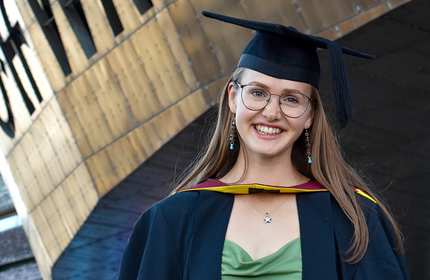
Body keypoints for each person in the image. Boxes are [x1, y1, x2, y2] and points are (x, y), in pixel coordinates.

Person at [118, 10, 409, 280]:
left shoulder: (354, 220)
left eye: (292, 99)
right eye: (258, 93)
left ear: (309, 115)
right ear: (233, 97)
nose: (272, 112)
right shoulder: (171, 221)